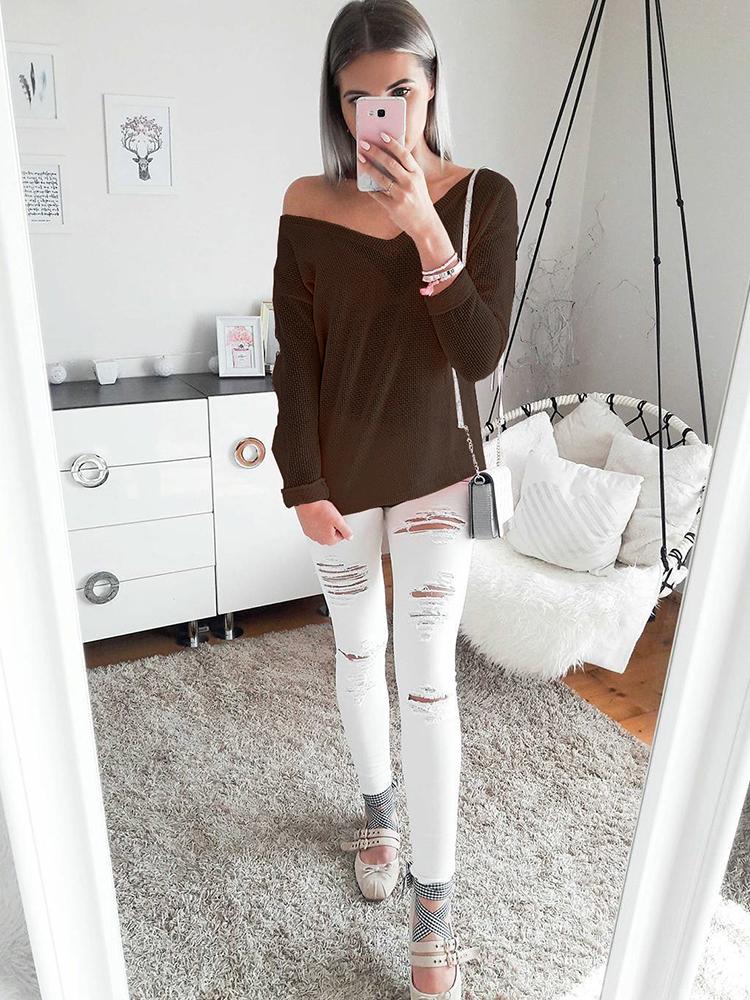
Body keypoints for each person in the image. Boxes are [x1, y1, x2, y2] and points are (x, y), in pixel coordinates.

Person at [270, 1, 517, 996]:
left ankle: (433, 913)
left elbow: (480, 353)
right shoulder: (305, 201)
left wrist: (423, 224)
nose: (382, 113)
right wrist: (300, 477)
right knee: (356, 649)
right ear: (338, 105)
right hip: (337, 475)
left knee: (428, 681)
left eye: (401, 91)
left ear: (432, 86)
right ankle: (377, 813)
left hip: (432, 474)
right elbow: (296, 355)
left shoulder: (482, 196)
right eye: (358, 97)